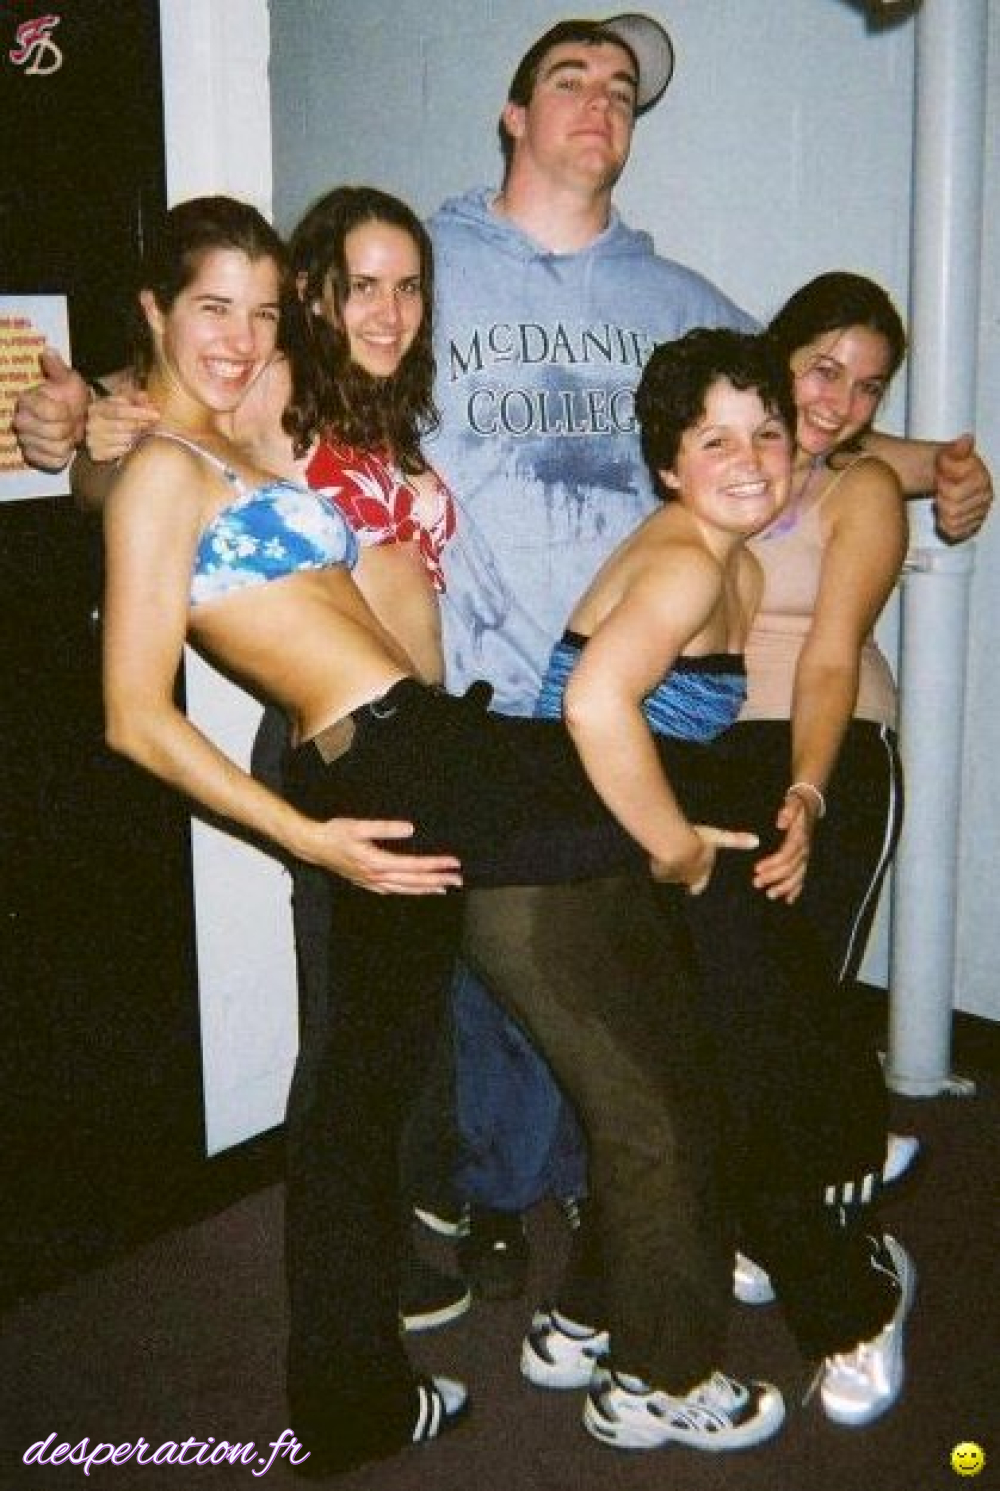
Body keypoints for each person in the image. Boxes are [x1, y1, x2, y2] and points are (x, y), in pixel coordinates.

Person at [101, 192, 788, 1475]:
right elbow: (135, 716)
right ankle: (748, 1228)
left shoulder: (228, 440)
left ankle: (363, 1393)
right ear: (155, 310)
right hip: (374, 762)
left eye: (261, 312)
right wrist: (308, 840)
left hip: (415, 740)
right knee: (662, 831)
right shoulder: (156, 467)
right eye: (213, 309)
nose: (242, 338)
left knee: (366, 1093)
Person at [423, 12, 994, 1288]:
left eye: (622, 88)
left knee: (628, 987)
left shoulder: (671, 296)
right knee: (508, 987)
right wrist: (121, 416)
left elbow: (805, 415)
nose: (600, 100)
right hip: (490, 680)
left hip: (654, 703)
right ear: (513, 115)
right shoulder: (429, 266)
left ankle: (630, 1223)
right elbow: (277, 376)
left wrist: (943, 468)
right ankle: (506, 1208)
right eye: (570, 78)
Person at [528, 325, 915, 1435]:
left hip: (593, 851)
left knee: (710, 1077)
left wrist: (781, 806)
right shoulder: (692, 561)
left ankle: (589, 1310)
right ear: (667, 463)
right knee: (733, 1078)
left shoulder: (728, 555)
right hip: (569, 877)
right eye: (715, 440)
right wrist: (681, 849)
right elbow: (591, 705)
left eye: (767, 435)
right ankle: (850, 1300)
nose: (750, 460)